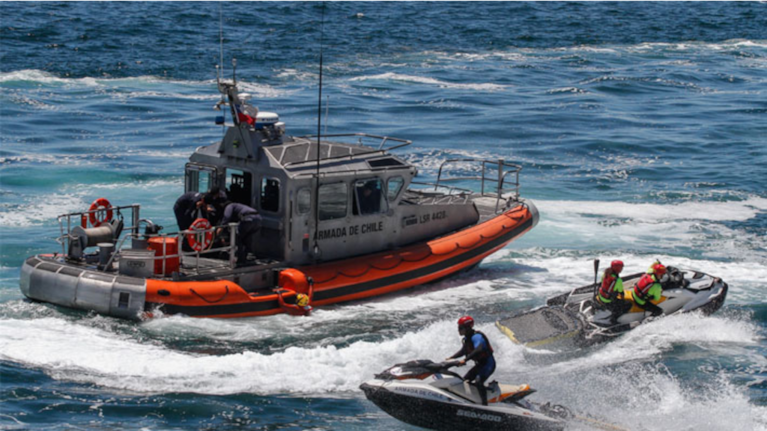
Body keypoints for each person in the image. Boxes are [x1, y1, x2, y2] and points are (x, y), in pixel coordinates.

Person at [447, 316, 496, 406]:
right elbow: (463, 351)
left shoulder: (476, 336)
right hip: (480, 365)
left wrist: (465, 360)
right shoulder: (466, 339)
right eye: (458, 327)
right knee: (464, 380)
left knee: (478, 381)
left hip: (488, 364)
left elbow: (479, 349)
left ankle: (485, 405)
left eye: (460, 328)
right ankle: (471, 400)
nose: (458, 330)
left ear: (468, 327)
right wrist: (451, 357)